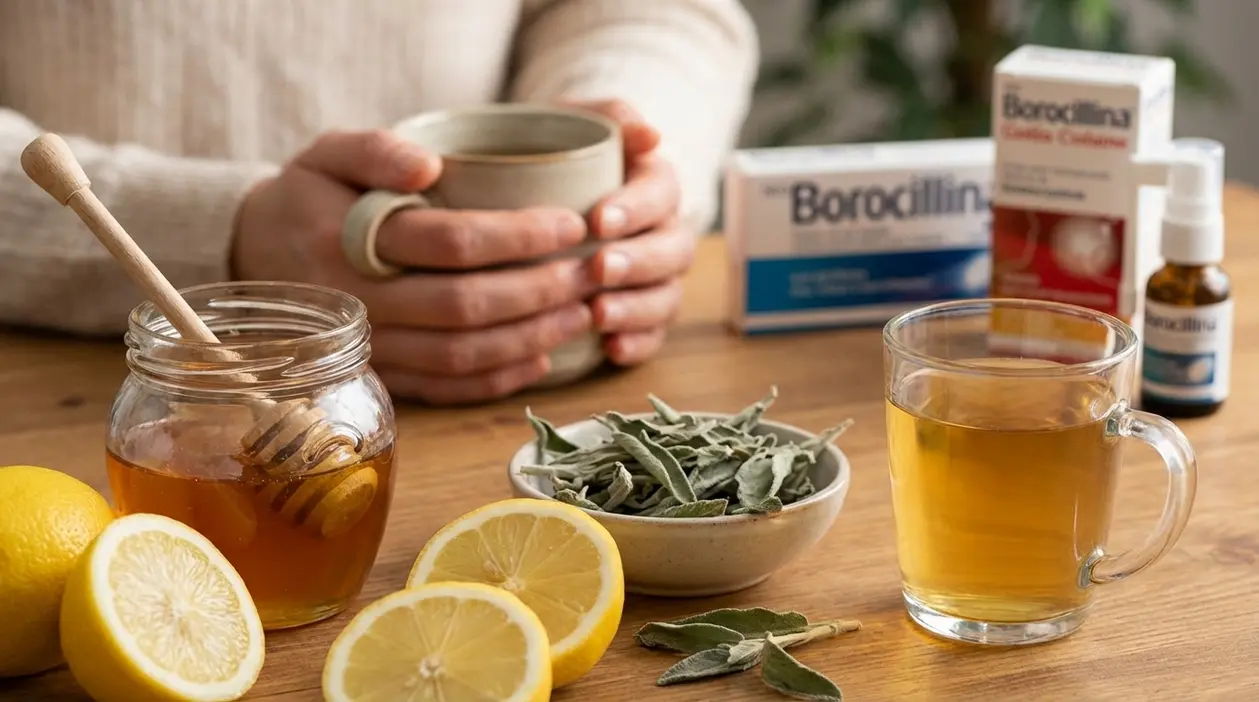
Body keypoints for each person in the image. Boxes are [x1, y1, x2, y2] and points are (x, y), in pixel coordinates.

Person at [0, 0, 759, 405]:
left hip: (561, 407)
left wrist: (623, 147)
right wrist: (221, 234)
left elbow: (659, 13)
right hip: (76, 391)